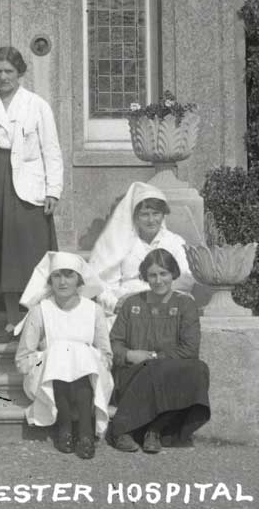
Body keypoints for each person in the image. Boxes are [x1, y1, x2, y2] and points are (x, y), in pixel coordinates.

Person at [0, 46, 63, 337]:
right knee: (2, 253)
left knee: (29, 250)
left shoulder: (37, 105)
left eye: (9, 71)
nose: (3, 76)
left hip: (28, 184)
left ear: (20, 73)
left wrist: (53, 191)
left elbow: (52, 150)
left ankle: (38, 318)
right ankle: (12, 318)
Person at [108, 248, 210, 454]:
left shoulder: (185, 305)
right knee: (153, 371)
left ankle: (154, 430)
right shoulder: (132, 304)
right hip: (134, 373)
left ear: (173, 274)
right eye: (152, 275)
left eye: (163, 273)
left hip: (168, 372)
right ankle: (123, 430)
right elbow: (113, 342)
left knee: (198, 369)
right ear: (145, 276)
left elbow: (190, 349)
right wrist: (128, 355)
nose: (158, 280)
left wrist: (155, 358)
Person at [15, 251, 113, 460]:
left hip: (88, 377)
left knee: (79, 352)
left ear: (79, 279)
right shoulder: (41, 311)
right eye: (57, 276)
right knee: (62, 351)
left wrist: (85, 358)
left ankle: (84, 431)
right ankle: (66, 427)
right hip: (48, 379)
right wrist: (48, 358)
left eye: (69, 275)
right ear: (50, 280)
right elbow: (23, 359)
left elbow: (106, 353)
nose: (62, 282)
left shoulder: (93, 310)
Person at [88, 181, 195, 325]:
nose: (151, 220)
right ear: (135, 216)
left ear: (163, 215)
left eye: (156, 213)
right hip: (126, 308)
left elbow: (184, 281)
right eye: (144, 215)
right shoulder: (120, 243)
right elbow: (103, 284)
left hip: (165, 306)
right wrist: (116, 304)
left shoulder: (175, 242)